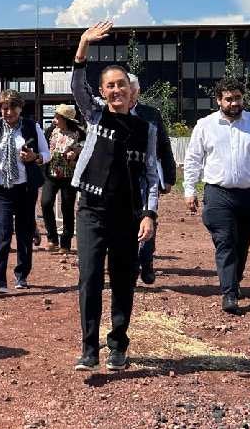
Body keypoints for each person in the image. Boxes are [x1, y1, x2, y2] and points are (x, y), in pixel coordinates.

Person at [70, 21, 159, 372]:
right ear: (103, 92)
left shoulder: (146, 129)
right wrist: (82, 46)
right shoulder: (94, 115)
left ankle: (118, 344)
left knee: (123, 281)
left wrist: (149, 213)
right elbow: (78, 85)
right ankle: (89, 349)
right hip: (91, 209)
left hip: (127, 214)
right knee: (90, 278)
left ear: (131, 91)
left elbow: (152, 174)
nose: (115, 90)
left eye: (121, 84)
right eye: (109, 85)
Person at [184, 79, 250, 315]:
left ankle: (235, 280)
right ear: (218, 100)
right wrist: (189, 189)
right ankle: (228, 293)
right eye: (228, 98)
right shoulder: (205, 126)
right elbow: (193, 159)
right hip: (218, 193)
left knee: (242, 242)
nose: (233, 103)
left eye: (237, 97)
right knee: (225, 240)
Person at [0, 89, 50, 293]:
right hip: (0, 188)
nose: (7, 112)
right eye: (3, 108)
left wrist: (35, 157)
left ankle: (21, 274)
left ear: (20, 108)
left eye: (11, 108)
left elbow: (47, 154)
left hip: (25, 188)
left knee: (24, 233)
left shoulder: (32, 127)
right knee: (2, 231)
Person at [127, 73, 177, 285]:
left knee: (148, 218)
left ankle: (146, 262)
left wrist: (169, 176)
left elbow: (164, 145)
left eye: (131, 90)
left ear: (137, 92)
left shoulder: (151, 114)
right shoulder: (108, 114)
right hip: (120, 178)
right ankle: (129, 264)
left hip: (147, 176)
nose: (126, 94)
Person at [40, 104, 85, 253]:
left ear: (65, 119)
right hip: (51, 174)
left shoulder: (78, 133)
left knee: (67, 208)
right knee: (46, 203)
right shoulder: (50, 131)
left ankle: (65, 242)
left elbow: (86, 149)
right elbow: (43, 147)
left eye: (57, 117)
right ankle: (52, 238)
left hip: (69, 176)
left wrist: (76, 153)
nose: (54, 120)